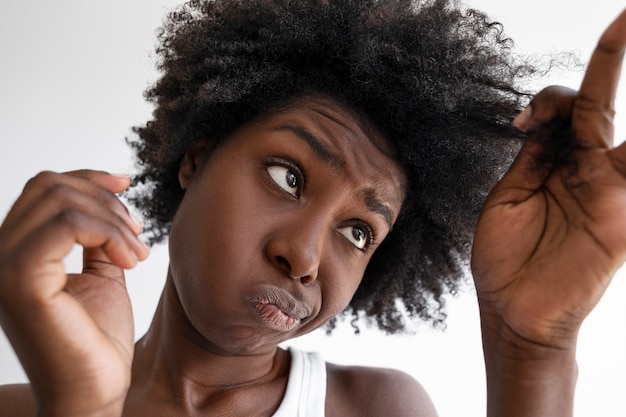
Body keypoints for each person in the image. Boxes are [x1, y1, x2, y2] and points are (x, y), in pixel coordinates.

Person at [0, 0, 624, 415]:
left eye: (358, 232)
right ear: (196, 158)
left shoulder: (373, 409)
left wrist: (532, 351)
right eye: (287, 175)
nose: (302, 257)